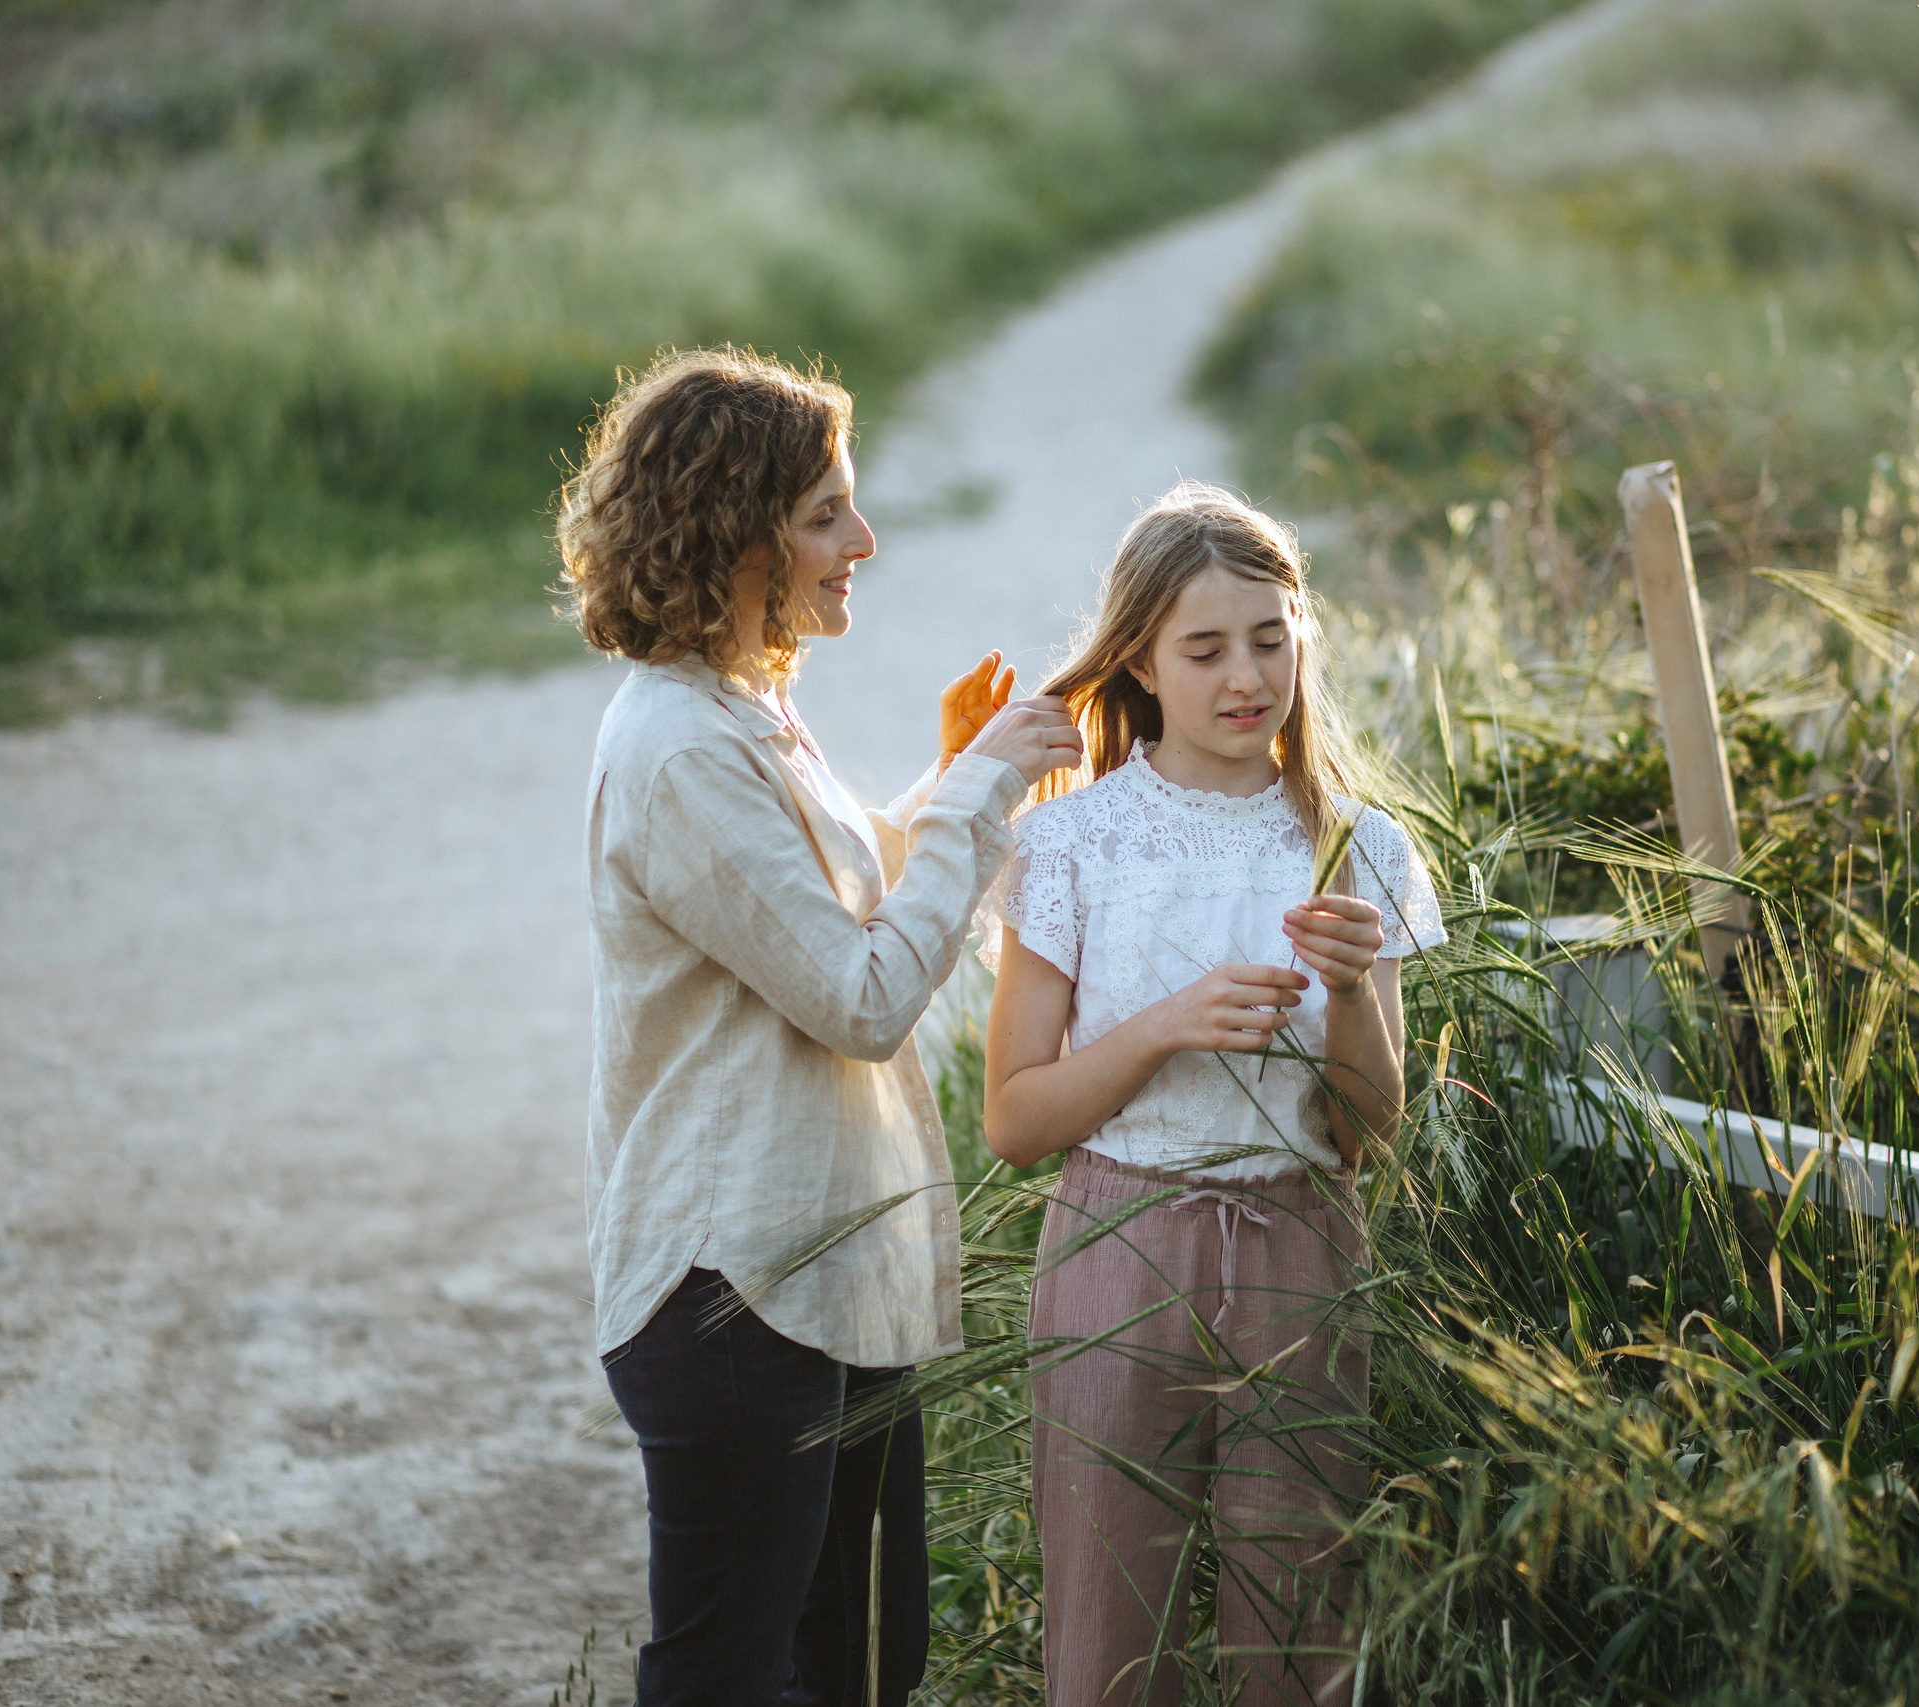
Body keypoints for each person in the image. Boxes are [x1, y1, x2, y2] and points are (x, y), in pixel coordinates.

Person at [557, 345, 1084, 1707]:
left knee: (861, 1667)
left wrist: (953, 783)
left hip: (818, 1278)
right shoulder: (678, 746)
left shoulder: (747, 713)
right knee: (732, 1680)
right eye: (822, 515)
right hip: (738, 1294)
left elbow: (820, 905)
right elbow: (855, 993)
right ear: (732, 534)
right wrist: (973, 797)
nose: (863, 539)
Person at [980, 482, 1446, 1705]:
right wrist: (1163, 1029)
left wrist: (1346, 993)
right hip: (1116, 1249)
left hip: (1302, 1246)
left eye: (1270, 638)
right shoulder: (1072, 843)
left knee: (1298, 1627)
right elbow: (1016, 1122)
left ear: (1304, 635)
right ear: (1139, 657)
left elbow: (1365, 1128)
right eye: (1204, 649)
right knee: (1106, 1626)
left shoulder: (1361, 844)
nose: (1247, 676)